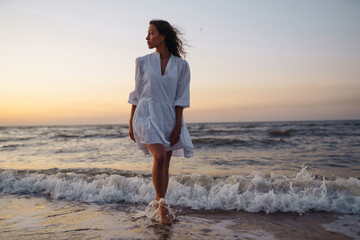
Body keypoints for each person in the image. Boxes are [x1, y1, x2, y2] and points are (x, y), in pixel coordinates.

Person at [128, 19, 194, 225]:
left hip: (169, 117)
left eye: (151, 33)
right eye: (148, 34)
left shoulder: (182, 66)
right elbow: (137, 94)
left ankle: (160, 204)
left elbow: (181, 98)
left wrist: (178, 125)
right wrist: (131, 122)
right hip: (146, 114)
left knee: (165, 162)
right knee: (159, 156)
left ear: (162, 36)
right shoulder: (142, 61)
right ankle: (162, 207)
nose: (147, 38)